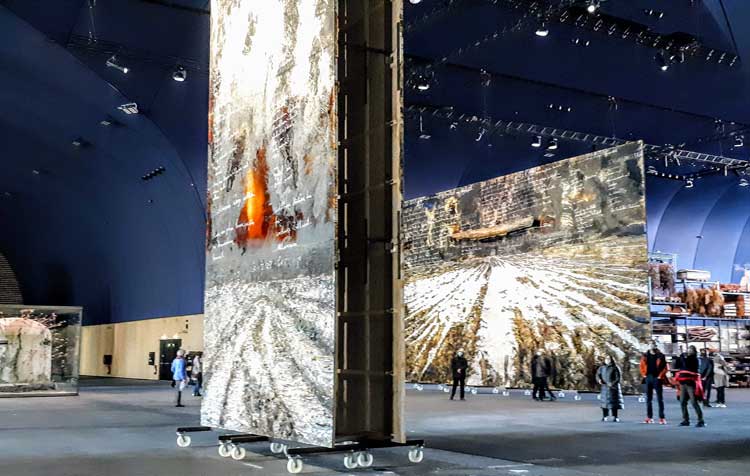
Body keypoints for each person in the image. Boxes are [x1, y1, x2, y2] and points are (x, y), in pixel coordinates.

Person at [674, 345, 705, 427]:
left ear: (694, 351)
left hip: (691, 383)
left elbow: (688, 365)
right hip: (683, 383)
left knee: (694, 402)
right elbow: (677, 365)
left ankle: (701, 420)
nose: (689, 351)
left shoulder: (695, 359)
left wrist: (682, 356)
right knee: (682, 401)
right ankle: (685, 420)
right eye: (688, 349)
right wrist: (679, 357)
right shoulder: (685, 358)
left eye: (690, 350)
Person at [640, 341, 668, 424]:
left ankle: (662, 418)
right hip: (648, 377)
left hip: (657, 378)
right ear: (648, 346)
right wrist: (644, 375)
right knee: (648, 399)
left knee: (660, 399)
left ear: (655, 346)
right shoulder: (645, 355)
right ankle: (649, 417)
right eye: (650, 344)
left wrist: (660, 376)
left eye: (653, 345)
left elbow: (665, 367)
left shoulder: (661, 356)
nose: (652, 346)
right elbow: (641, 365)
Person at [597, 355, 624, 422]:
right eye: (606, 358)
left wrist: (612, 383)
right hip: (604, 388)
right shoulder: (602, 367)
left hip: (613, 389)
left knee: (614, 404)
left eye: (609, 358)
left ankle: (615, 416)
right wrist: (599, 380)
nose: (607, 360)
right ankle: (604, 416)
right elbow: (598, 375)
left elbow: (618, 377)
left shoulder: (615, 367)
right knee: (604, 403)